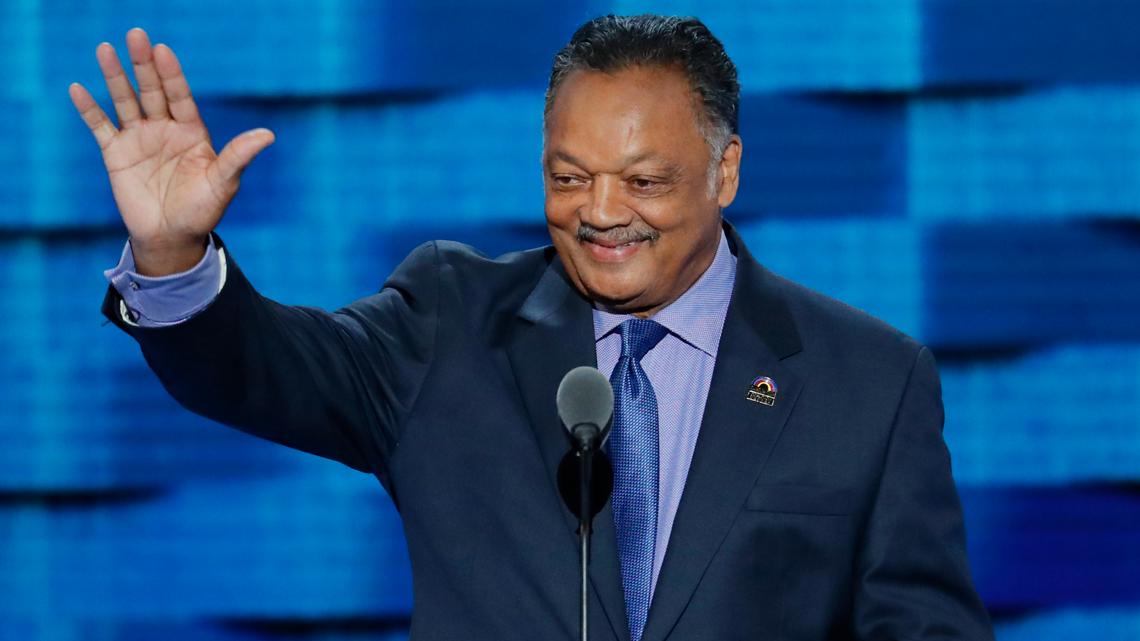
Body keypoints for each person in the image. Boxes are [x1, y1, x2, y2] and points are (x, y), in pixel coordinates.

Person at [72, 15, 995, 641]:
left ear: (725, 173)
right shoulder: (451, 323)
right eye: (567, 175)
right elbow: (255, 367)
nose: (600, 212)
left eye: (643, 181)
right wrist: (174, 256)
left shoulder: (868, 380)